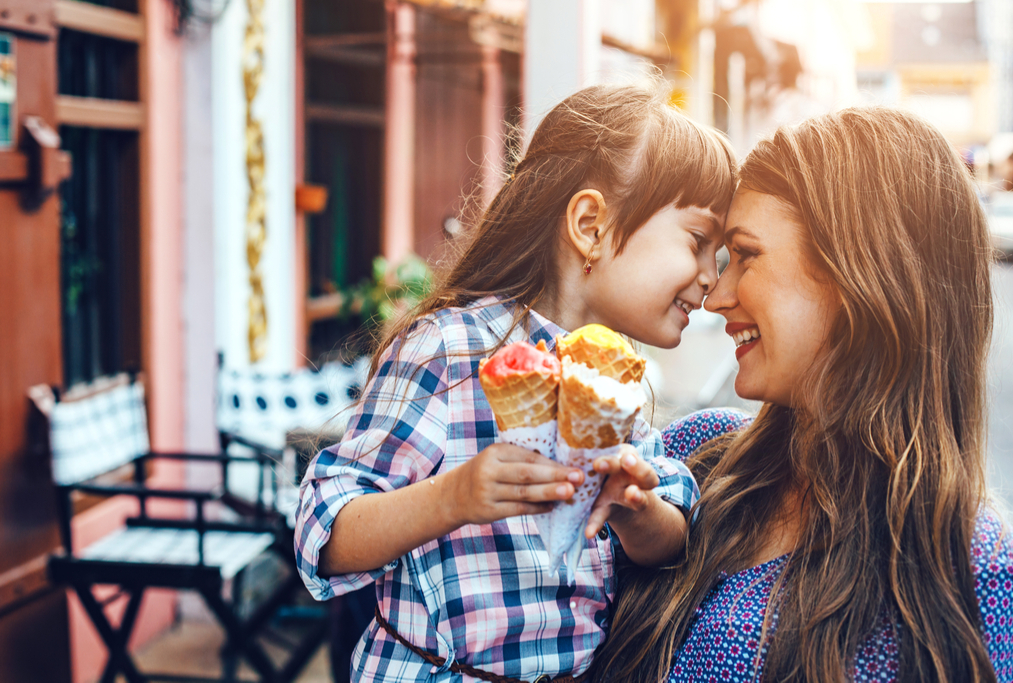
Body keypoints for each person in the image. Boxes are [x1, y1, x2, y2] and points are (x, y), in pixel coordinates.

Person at [294, 81, 737, 683]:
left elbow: (675, 537)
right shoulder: (450, 351)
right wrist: (452, 498)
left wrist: (636, 509)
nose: (713, 275)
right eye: (698, 241)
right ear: (590, 224)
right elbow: (325, 534)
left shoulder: (618, 378)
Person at [592, 107, 1013, 683]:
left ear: (859, 274)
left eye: (745, 255)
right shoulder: (694, 458)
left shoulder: (970, 567)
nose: (715, 296)